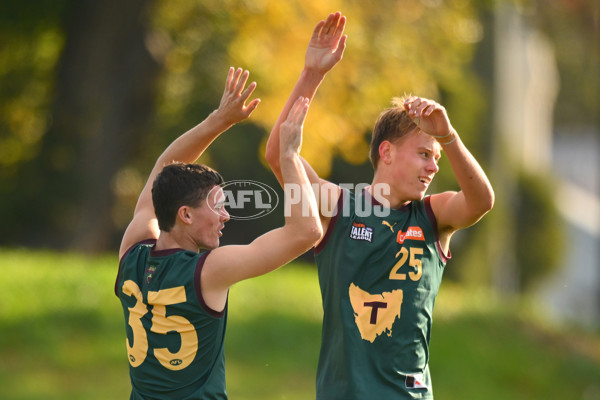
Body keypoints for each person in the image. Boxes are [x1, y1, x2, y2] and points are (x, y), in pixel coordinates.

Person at [265, 12, 495, 400]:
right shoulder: (339, 204)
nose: (433, 166)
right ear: (386, 152)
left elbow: (481, 201)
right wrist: (312, 74)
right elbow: (279, 154)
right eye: (424, 153)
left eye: (436, 158)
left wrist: (449, 136)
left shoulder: (433, 216)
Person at [115, 66, 322, 399]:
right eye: (217, 206)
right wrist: (289, 157)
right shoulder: (208, 271)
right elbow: (306, 231)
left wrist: (219, 120)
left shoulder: (132, 250)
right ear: (185, 214)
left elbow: (163, 170)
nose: (226, 215)